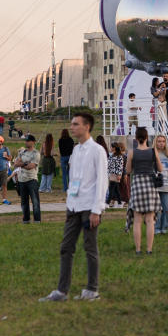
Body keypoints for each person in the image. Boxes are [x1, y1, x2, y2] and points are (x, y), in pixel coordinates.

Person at [40, 113, 107, 302]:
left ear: (87, 126)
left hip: (89, 208)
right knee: (66, 247)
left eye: (75, 124)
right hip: (74, 206)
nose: (71, 127)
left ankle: (92, 290)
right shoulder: (76, 150)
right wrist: (69, 202)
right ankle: (62, 291)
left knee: (90, 247)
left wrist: (96, 210)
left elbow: (102, 182)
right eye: (71, 124)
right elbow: (74, 179)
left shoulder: (97, 150)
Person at [126, 127, 162, 255]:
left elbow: (129, 171)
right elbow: (160, 169)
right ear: (147, 138)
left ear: (136, 139)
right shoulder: (153, 151)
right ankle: (149, 249)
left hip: (137, 184)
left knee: (137, 220)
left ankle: (138, 250)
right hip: (150, 185)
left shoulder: (132, 152)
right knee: (149, 220)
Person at [15, 135, 42, 224]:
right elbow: (16, 163)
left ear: (33, 142)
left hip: (32, 179)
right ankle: (26, 219)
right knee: (24, 202)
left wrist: (22, 164)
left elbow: (31, 166)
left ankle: (37, 220)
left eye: (29, 141)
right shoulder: (22, 152)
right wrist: (26, 163)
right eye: (26, 141)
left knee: (35, 201)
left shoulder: (36, 153)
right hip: (22, 180)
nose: (26, 142)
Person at [153, 135, 168, 234]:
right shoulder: (152, 154)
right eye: (159, 141)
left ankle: (164, 228)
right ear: (155, 142)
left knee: (167, 209)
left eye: (163, 141)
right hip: (155, 186)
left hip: (165, 186)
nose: (161, 143)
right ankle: (156, 229)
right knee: (155, 209)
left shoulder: (167, 155)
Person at [107, 143, 125, 208]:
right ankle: (119, 203)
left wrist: (119, 174)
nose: (110, 148)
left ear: (114, 148)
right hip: (111, 174)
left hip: (115, 174)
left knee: (111, 189)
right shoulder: (111, 155)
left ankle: (107, 203)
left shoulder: (119, 156)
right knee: (116, 190)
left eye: (111, 147)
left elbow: (120, 166)